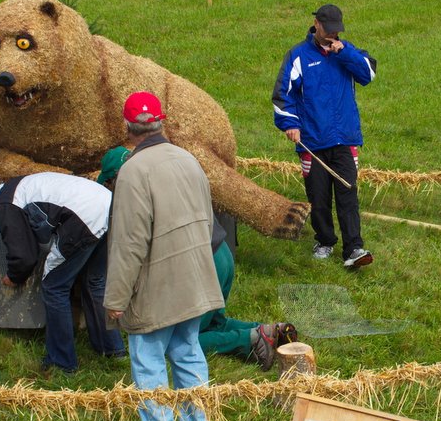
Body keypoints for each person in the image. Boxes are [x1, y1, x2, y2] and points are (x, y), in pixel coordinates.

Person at [104, 92, 224, 421]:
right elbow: (207, 220)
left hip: (156, 288)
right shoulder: (188, 160)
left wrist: (115, 299)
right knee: (188, 354)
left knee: (148, 364)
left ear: (127, 128)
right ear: (162, 121)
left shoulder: (133, 171)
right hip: (195, 279)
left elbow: (128, 243)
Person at [98, 146, 297, 370]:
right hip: (221, 252)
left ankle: (251, 339)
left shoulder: (138, 195)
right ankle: (269, 331)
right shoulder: (169, 174)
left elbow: (137, 248)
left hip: (200, 264)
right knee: (213, 322)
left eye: (109, 183)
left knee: (179, 339)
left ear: (118, 176)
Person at [0, 172, 125, 374]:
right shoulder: (14, 186)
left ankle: (62, 362)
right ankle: (112, 349)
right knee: (95, 281)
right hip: (108, 205)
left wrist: (14, 277)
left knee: (54, 287)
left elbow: (25, 256)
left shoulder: (5, 207)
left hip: (84, 217)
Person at [272, 3, 376, 270]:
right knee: (318, 197)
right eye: (327, 30)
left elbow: (368, 74)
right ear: (316, 24)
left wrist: (345, 53)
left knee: (348, 193)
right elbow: (284, 95)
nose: (332, 35)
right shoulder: (298, 56)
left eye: (336, 31)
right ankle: (325, 240)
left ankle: (354, 247)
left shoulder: (348, 51)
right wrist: (290, 124)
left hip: (345, 139)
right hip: (312, 141)